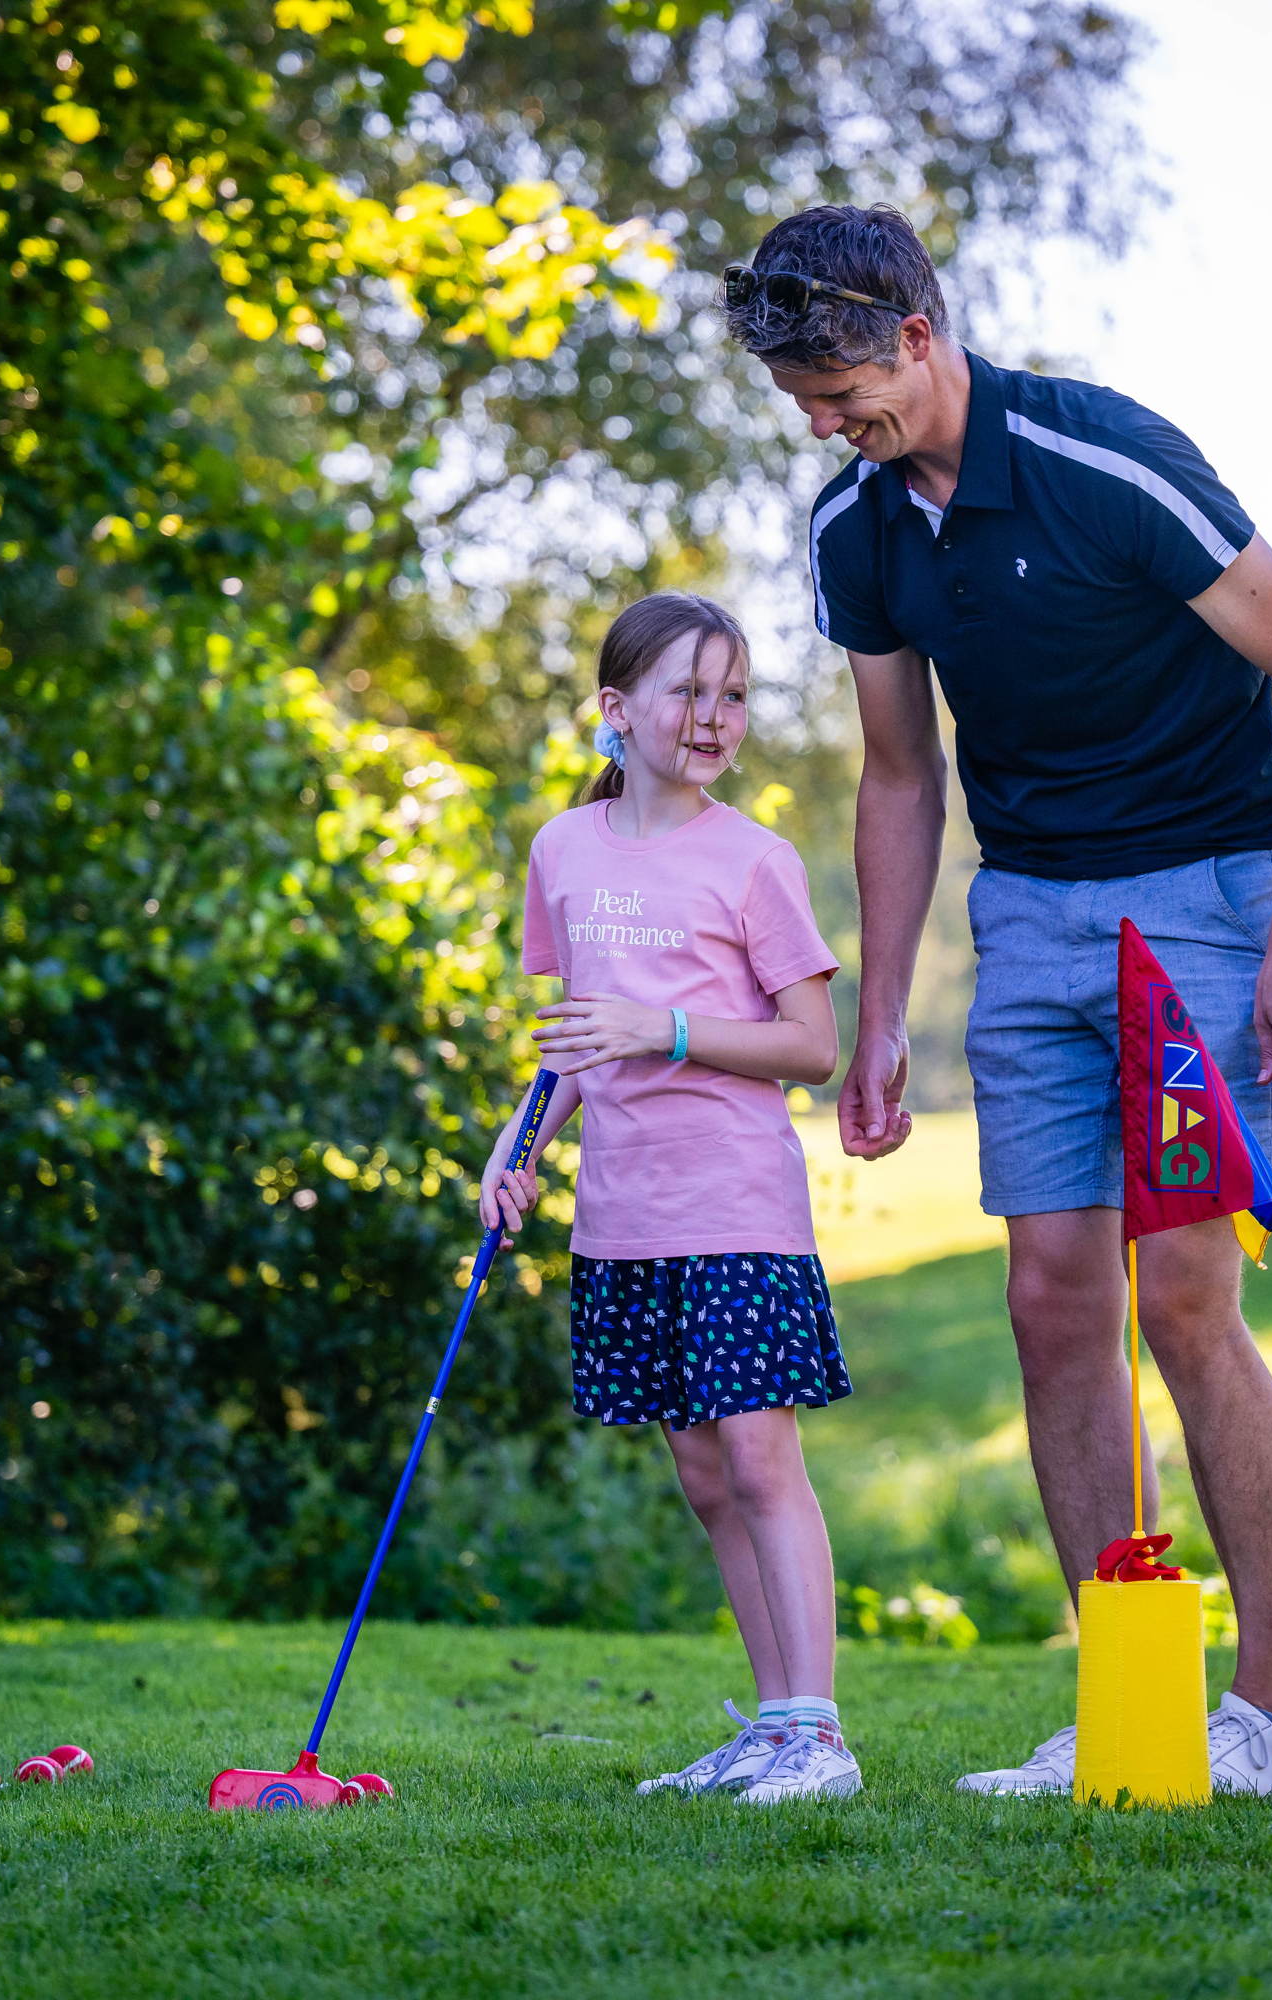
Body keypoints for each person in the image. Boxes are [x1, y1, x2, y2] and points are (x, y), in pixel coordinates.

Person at [724, 205, 1272, 1795]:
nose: (826, 421)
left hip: (1205, 903)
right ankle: (1133, 1708)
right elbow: (896, 772)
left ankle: (1271, 1720)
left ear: (922, 339)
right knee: (1052, 1309)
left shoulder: (1105, 461)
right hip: (1028, 921)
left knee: (1185, 1303)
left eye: (841, 388)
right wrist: (880, 1013)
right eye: (802, 400)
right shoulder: (855, 530)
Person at [474, 591, 858, 1802]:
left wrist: (673, 1028)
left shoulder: (756, 857)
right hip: (624, 1215)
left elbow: (813, 1044)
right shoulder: (562, 851)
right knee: (699, 1466)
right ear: (616, 709)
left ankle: (819, 1736)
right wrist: (517, 1140)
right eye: (688, 691)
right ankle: (770, 1728)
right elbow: (578, 1041)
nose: (713, 716)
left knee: (758, 1454)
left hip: (735, 1203)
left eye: (733, 693)